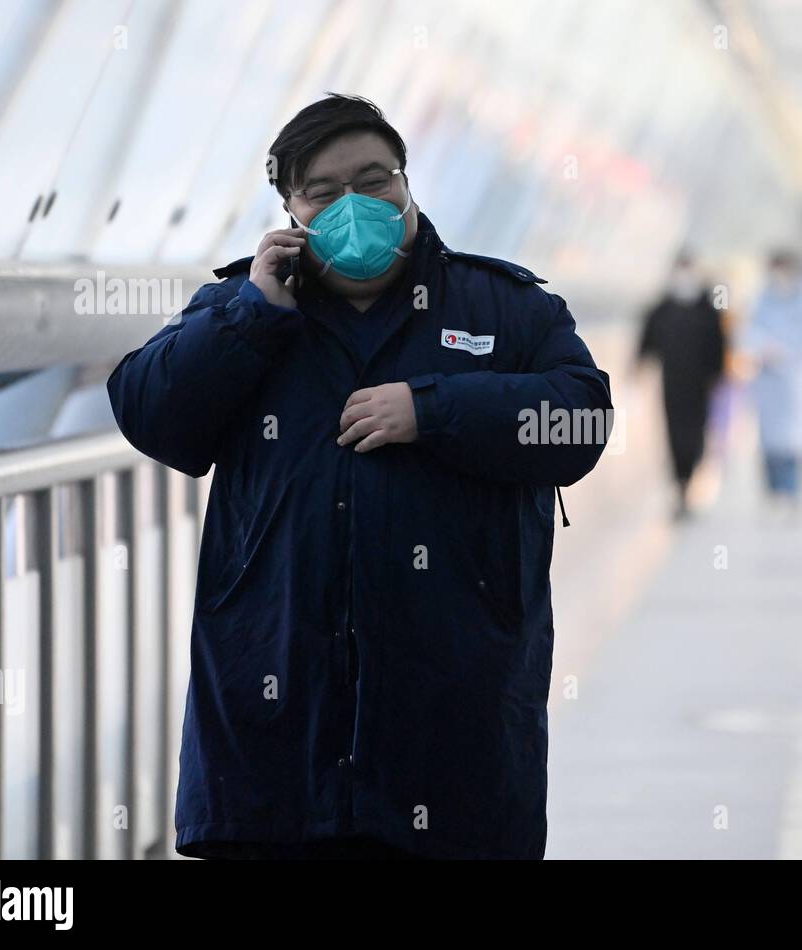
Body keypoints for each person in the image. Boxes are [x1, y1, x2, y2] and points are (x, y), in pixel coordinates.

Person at [107, 94, 612, 859]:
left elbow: (580, 421)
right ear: (290, 209)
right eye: (325, 191)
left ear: (407, 184)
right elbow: (149, 413)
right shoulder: (245, 311)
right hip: (274, 739)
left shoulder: (502, 308)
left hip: (453, 741)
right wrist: (254, 313)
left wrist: (433, 408)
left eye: (374, 181)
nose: (355, 204)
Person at [635, 252, 727, 519]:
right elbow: (647, 339)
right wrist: (639, 363)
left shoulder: (707, 308)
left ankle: (690, 479)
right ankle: (680, 486)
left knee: (695, 434)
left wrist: (717, 374)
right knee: (674, 435)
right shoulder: (663, 307)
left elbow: (718, 345)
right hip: (672, 384)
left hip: (700, 386)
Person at [742, 250, 802, 504]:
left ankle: (791, 489)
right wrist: (764, 348)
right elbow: (749, 332)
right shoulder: (761, 300)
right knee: (770, 439)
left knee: (794, 438)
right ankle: (773, 489)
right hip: (768, 379)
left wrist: (792, 353)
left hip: (797, 378)